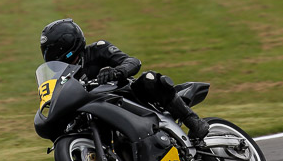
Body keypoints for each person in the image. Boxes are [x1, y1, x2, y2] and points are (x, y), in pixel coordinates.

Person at [39, 18, 210, 140]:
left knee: (149, 78)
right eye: (46, 51)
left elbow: (132, 62)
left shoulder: (98, 49)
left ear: (67, 44)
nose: (49, 55)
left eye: (52, 50)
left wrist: (117, 72)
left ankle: (193, 121)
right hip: (96, 108)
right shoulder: (61, 76)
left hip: (127, 96)